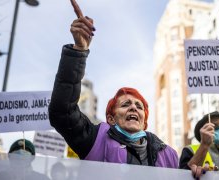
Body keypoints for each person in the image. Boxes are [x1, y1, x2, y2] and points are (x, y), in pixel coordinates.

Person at [48, 1, 178, 168]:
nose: (133, 108)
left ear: (144, 122)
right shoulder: (95, 140)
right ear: (111, 119)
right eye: (125, 104)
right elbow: (62, 112)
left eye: (139, 107)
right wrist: (78, 51)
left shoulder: (169, 155)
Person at [179, 111, 219, 178]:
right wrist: (204, 145)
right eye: (215, 126)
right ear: (203, 129)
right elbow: (183, 176)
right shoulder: (190, 150)